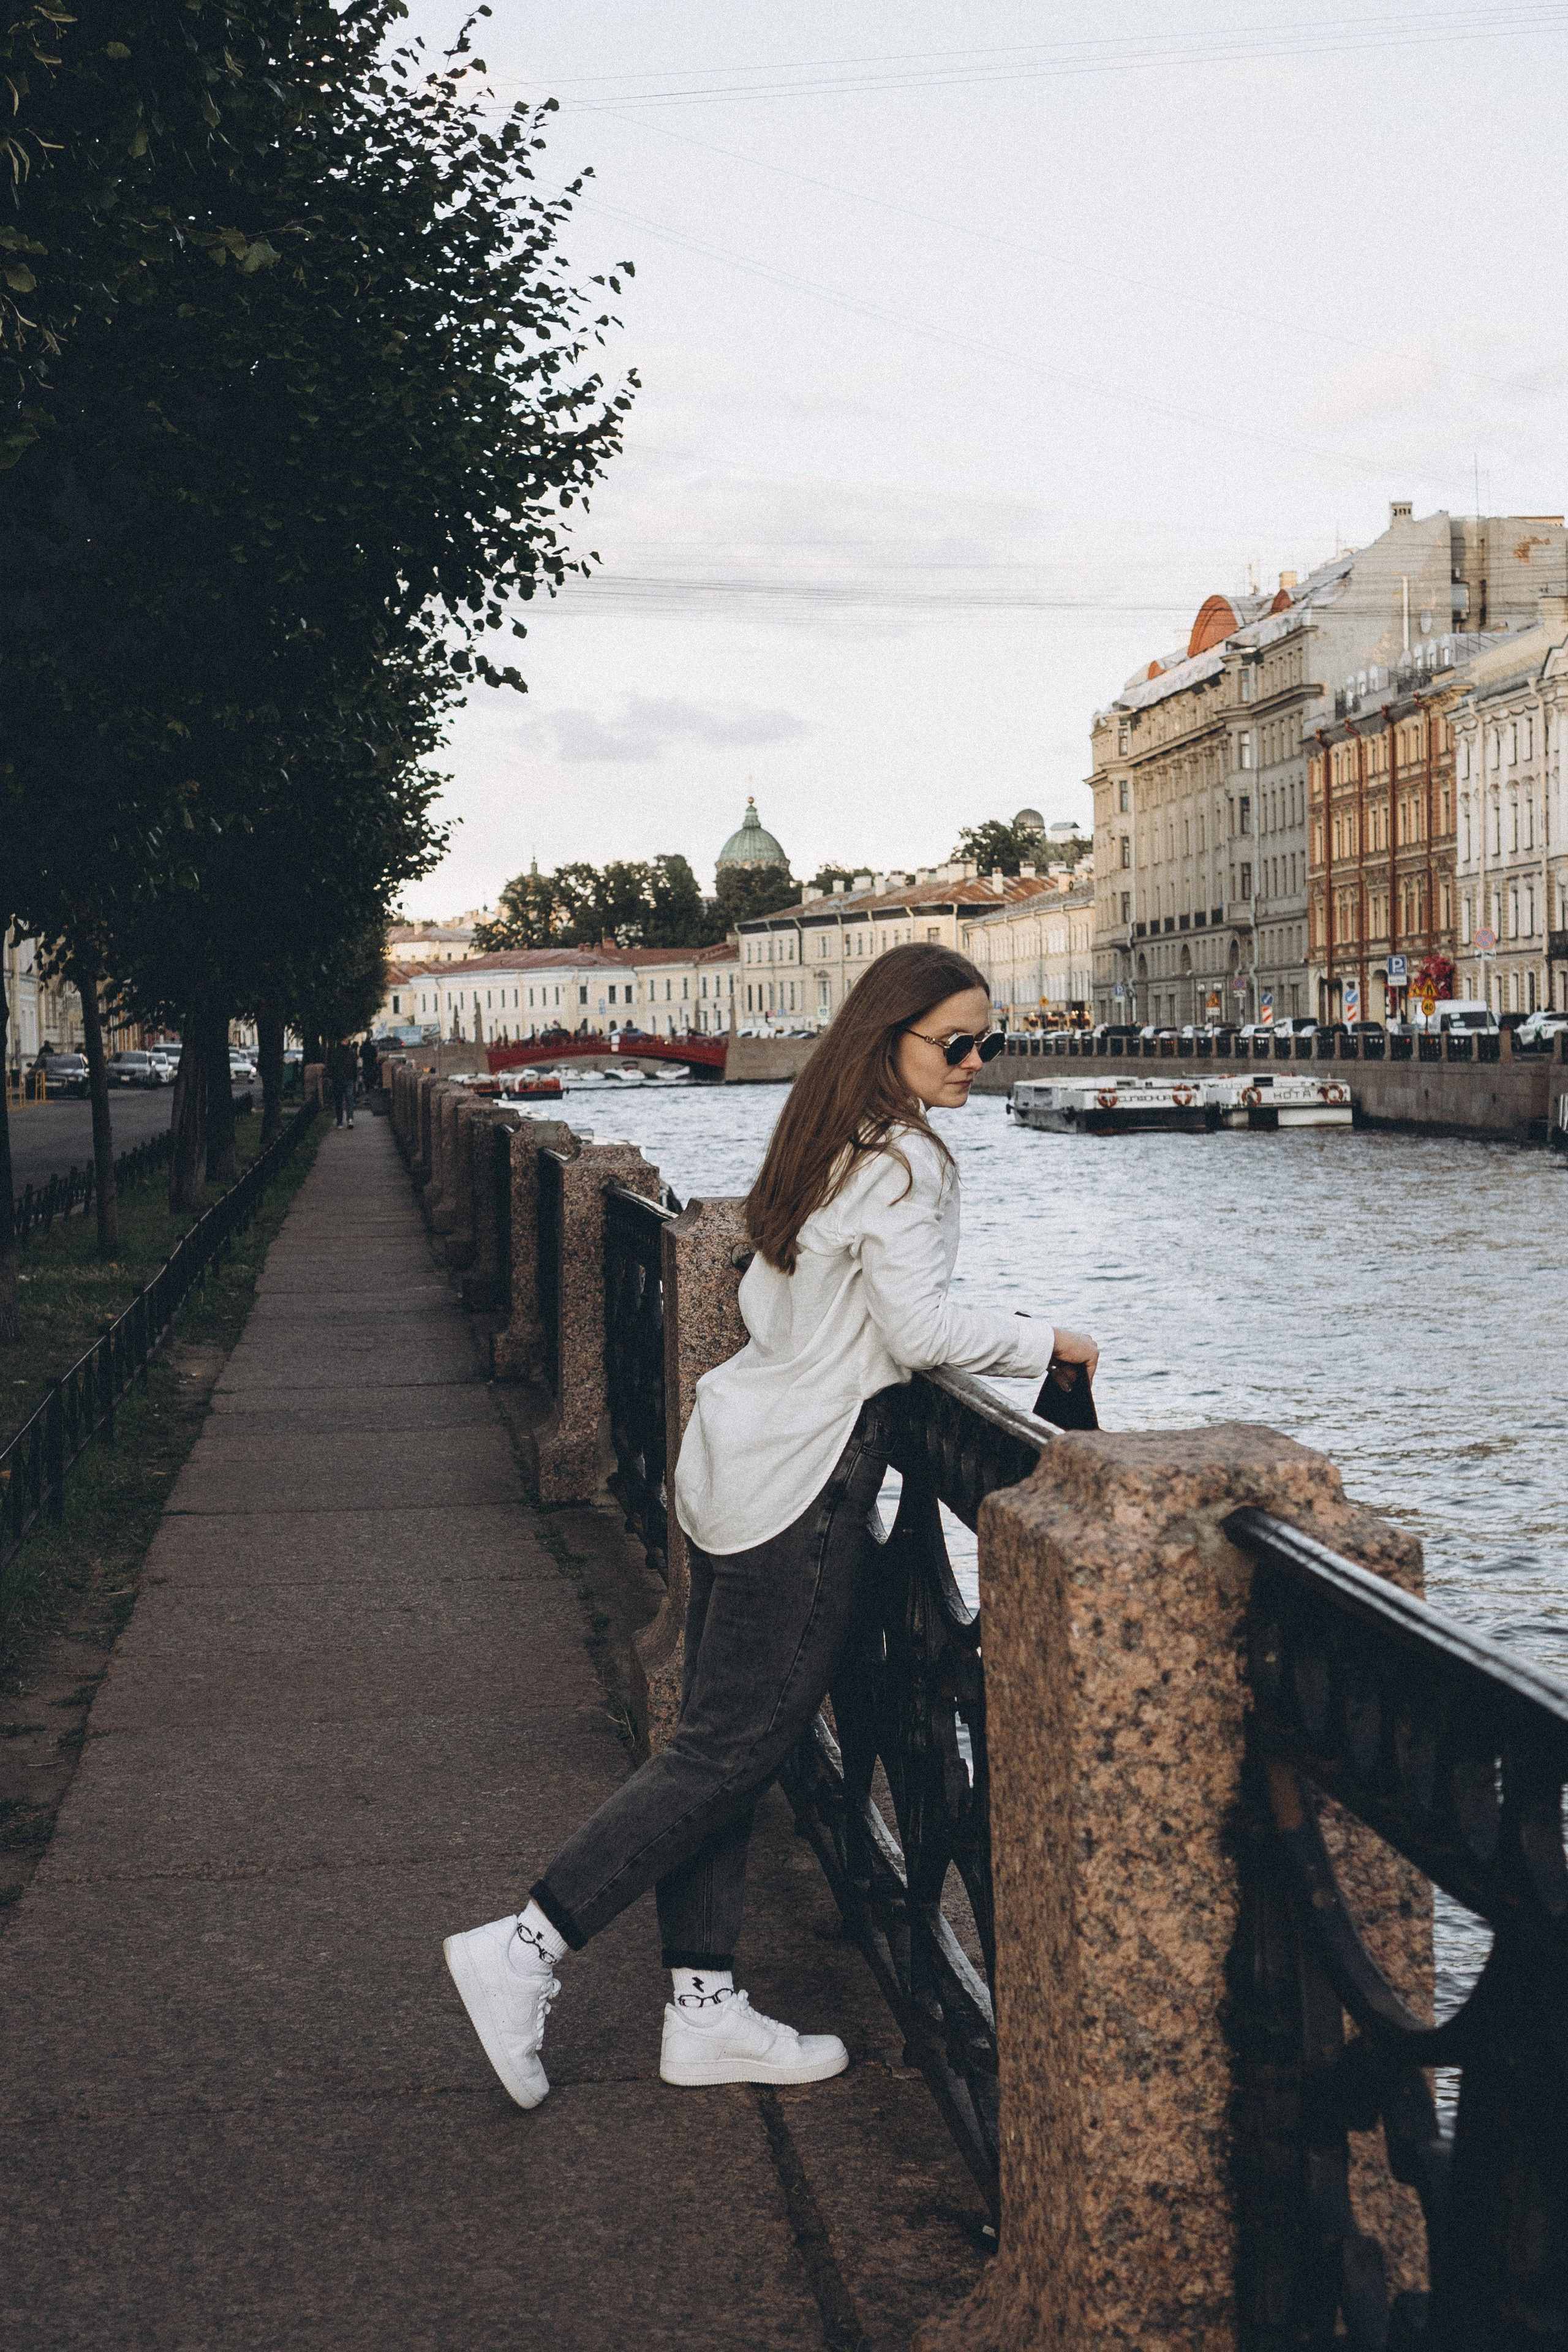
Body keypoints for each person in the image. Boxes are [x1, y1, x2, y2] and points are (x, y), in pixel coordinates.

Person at [442, 944, 1098, 2108]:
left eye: (987, 1042)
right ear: (889, 1037)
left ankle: (703, 2010)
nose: (978, 1062)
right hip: (807, 1483)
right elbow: (919, 1328)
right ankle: (525, 1947)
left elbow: (759, 1297)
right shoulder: (905, 1163)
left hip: (735, 1460)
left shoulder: (823, 1143)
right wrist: (1054, 1343)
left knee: (723, 1740)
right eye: (957, 1043)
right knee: (729, 1750)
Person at [326, 1039, 358, 1128]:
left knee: (342, 1101)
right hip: (345, 1079)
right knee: (347, 1100)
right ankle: (346, 1120)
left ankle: (344, 1121)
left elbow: (331, 1066)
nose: (346, 1042)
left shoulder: (336, 1053)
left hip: (341, 1079)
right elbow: (354, 1066)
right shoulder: (350, 1052)